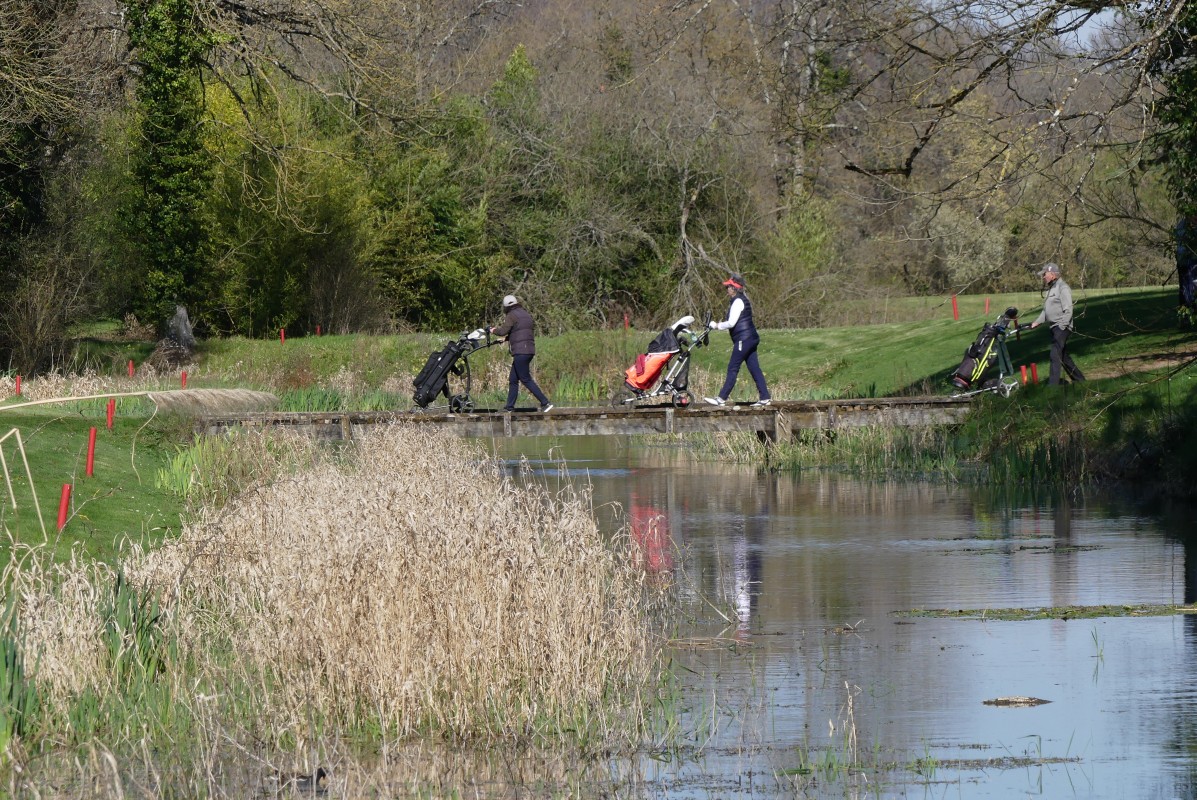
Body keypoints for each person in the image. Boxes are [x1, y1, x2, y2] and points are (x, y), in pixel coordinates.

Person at [704, 273, 772, 407]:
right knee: (754, 368)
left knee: (733, 368)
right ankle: (765, 397)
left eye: (728, 286)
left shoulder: (738, 301)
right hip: (751, 338)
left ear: (734, 288)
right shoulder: (742, 299)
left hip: (744, 340)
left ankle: (721, 399)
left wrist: (716, 325)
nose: (727, 289)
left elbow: (731, 323)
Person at [490, 294, 553, 412]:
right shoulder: (525, 314)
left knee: (525, 378)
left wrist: (493, 330)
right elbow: (521, 332)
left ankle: (545, 402)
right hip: (529, 350)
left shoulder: (511, 315)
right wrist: (507, 339)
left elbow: (503, 330)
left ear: (505, 307)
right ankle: (509, 407)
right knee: (513, 379)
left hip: (520, 352)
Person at [1029, 262, 1086, 385]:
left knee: (1054, 355)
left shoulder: (1063, 288)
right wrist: (1036, 322)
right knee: (1063, 357)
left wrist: (1062, 325)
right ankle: (1080, 381)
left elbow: (1068, 309)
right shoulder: (1052, 288)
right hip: (1054, 328)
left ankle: (1053, 388)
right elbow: (1046, 311)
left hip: (1062, 327)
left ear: (1052, 274)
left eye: (1045, 274)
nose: (1043, 277)